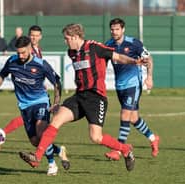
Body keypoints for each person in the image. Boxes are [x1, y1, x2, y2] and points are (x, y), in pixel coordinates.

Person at [19, 23, 149, 172]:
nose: (65, 41)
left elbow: (118, 56)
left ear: (75, 37)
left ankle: (125, 149)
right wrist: (57, 102)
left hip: (96, 98)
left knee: (96, 137)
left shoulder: (95, 48)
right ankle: (37, 157)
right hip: (79, 96)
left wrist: (135, 61)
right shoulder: (72, 52)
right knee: (56, 120)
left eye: (67, 38)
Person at [0, 36, 70, 176]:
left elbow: (56, 83)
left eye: (23, 52)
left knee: (40, 131)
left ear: (30, 48)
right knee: (35, 141)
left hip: (40, 101)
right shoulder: (12, 61)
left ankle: (51, 165)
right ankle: (59, 151)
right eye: (18, 52)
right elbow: (1, 75)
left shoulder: (41, 64)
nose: (21, 55)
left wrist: (56, 102)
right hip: (24, 106)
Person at [104, 18, 160, 161]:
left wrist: (149, 77)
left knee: (125, 114)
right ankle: (153, 138)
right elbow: (102, 65)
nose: (114, 32)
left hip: (133, 84)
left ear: (123, 29)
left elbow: (149, 59)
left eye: (117, 29)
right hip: (119, 86)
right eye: (112, 29)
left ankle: (118, 149)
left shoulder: (133, 43)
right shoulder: (108, 45)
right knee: (134, 118)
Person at [0, 25, 44, 150]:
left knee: (36, 127)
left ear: (40, 37)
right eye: (32, 35)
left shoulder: (38, 50)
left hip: (37, 94)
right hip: (27, 94)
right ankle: (1, 135)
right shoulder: (27, 51)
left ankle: (1, 135)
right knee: (32, 125)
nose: (34, 38)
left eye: (36, 35)